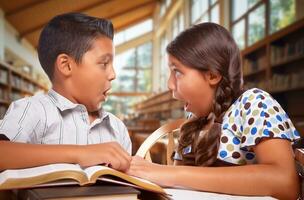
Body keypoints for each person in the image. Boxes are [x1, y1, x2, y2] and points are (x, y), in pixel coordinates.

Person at [126, 22, 300, 199]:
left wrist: (169, 173)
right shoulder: (194, 119)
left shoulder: (254, 102)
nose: (170, 84)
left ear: (213, 75)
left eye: (177, 72)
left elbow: (285, 182)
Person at [0, 13, 131, 172]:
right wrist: (81, 153)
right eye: (104, 63)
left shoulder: (117, 128)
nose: (113, 74)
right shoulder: (33, 110)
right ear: (66, 65)